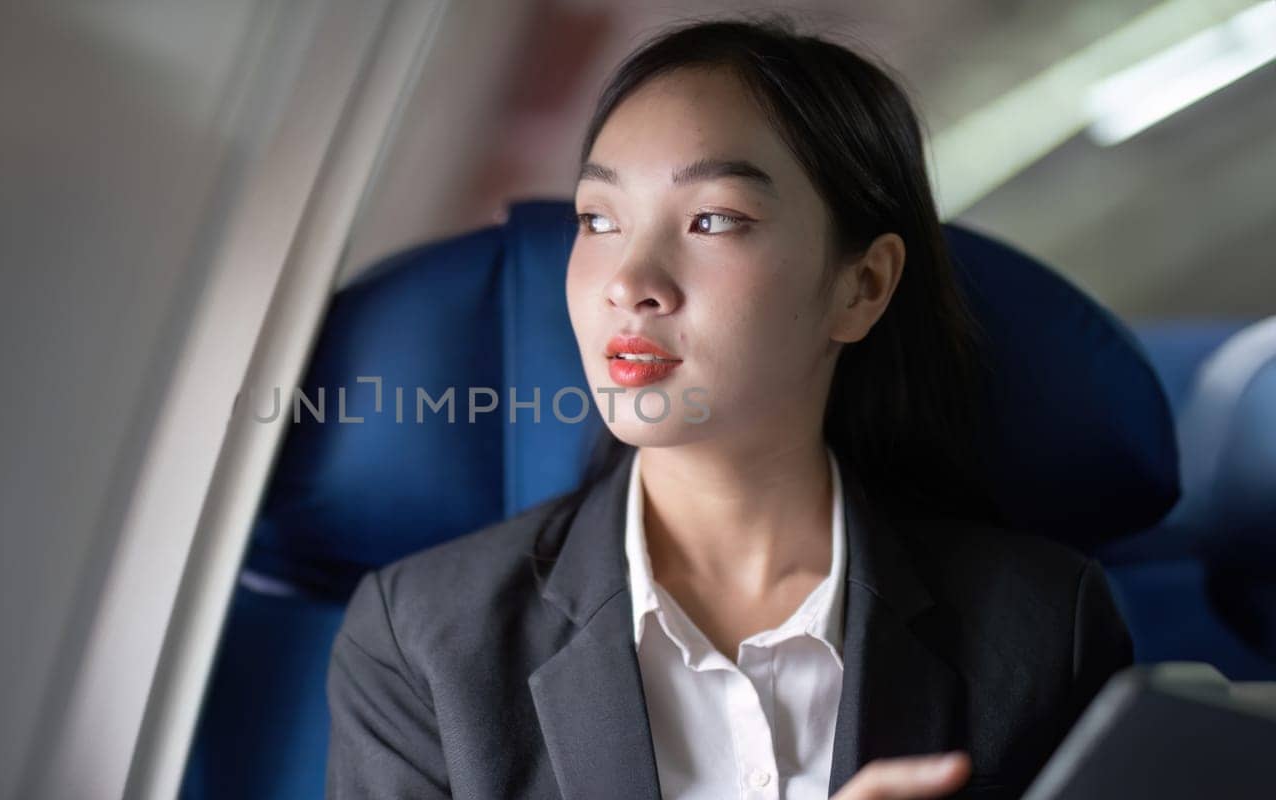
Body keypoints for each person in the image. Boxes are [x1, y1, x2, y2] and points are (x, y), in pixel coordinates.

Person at [325, 16, 1134, 800]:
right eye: (598, 219)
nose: (629, 280)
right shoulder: (423, 642)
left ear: (863, 287)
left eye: (713, 219)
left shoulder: (1041, 631)